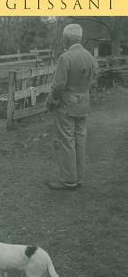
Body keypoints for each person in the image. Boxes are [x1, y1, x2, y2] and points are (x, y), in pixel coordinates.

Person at [46, 24, 97, 190]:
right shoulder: (89, 56)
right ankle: (79, 178)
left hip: (67, 106)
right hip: (84, 104)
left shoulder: (65, 58)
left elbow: (59, 85)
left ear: (66, 38)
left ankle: (68, 180)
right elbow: (93, 80)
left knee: (66, 141)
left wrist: (52, 101)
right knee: (80, 140)